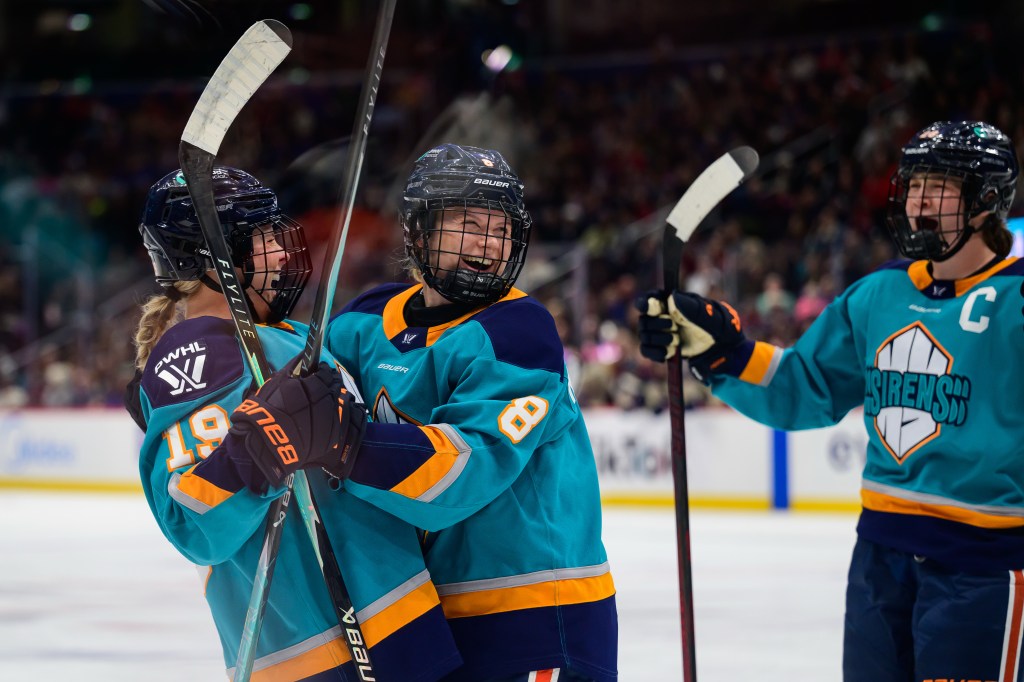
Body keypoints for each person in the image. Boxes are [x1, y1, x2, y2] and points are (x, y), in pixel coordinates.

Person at [635, 120, 1024, 681]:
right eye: (912, 186)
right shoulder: (878, 293)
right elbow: (803, 386)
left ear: (987, 201)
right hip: (880, 556)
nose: (917, 202)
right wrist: (723, 353)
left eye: (937, 187)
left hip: (984, 567)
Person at [126, 166, 461, 681]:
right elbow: (195, 521)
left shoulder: (283, 334)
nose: (282, 254)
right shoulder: (198, 350)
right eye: (263, 241)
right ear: (213, 258)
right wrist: (259, 447)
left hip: (396, 621)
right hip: (317, 649)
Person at [315, 143, 617, 681]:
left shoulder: (519, 333)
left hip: (533, 613)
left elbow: (458, 477)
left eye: (501, 229)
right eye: (469, 224)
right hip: (429, 613)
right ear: (419, 232)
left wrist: (337, 441)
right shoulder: (361, 322)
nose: (489, 243)